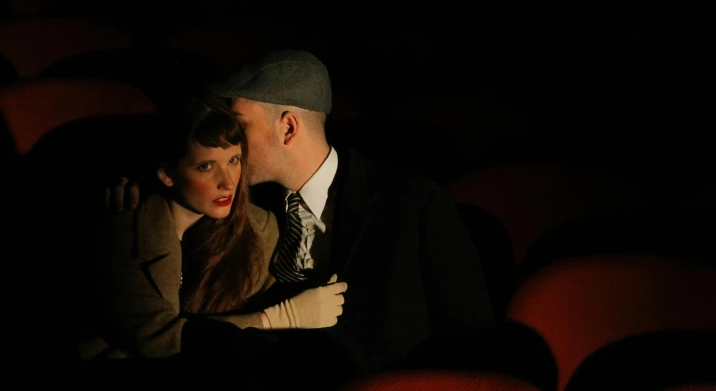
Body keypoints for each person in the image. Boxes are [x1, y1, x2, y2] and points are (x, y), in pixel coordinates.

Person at [108, 50, 496, 378]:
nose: (229, 141)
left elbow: (469, 342)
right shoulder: (239, 201)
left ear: (289, 127)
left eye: (240, 126)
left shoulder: (412, 204)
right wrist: (154, 189)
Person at [80, 94, 348, 368]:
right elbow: (157, 337)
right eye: (206, 166)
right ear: (167, 175)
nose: (227, 181)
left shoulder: (260, 229)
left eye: (234, 160)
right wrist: (276, 318)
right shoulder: (125, 228)